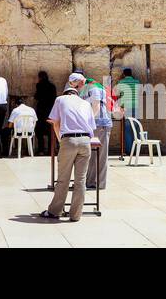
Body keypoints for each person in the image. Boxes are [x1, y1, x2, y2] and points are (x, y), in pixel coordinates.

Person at [40, 74, 96, 222]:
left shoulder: (60, 100)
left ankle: (55, 211)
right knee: (80, 180)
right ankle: (76, 214)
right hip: (85, 142)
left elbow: (55, 123)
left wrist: (61, 141)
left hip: (68, 140)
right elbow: (91, 127)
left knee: (63, 179)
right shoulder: (86, 104)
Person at [82, 77, 112, 189]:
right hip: (97, 123)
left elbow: (96, 107)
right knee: (93, 155)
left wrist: (88, 123)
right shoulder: (97, 88)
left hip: (100, 123)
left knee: (100, 155)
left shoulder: (94, 89)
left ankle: (99, 183)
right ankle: (90, 182)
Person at [114, 67, 142, 155]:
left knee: (127, 130)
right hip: (137, 107)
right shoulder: (137, 82)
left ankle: (130, 151)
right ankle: (137, 150)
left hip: (126, 107)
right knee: (137, 129)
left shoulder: (121, 83)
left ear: (124, 74)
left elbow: (116, 94)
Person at [34, 71, 58, 155]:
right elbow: (55, 98)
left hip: (41, 111)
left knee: (39, 130)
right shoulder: (52, 86)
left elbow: (36, 96)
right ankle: (50, 151)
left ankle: (41, 150)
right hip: (50, 111)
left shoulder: (39, 85)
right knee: (50, 131)